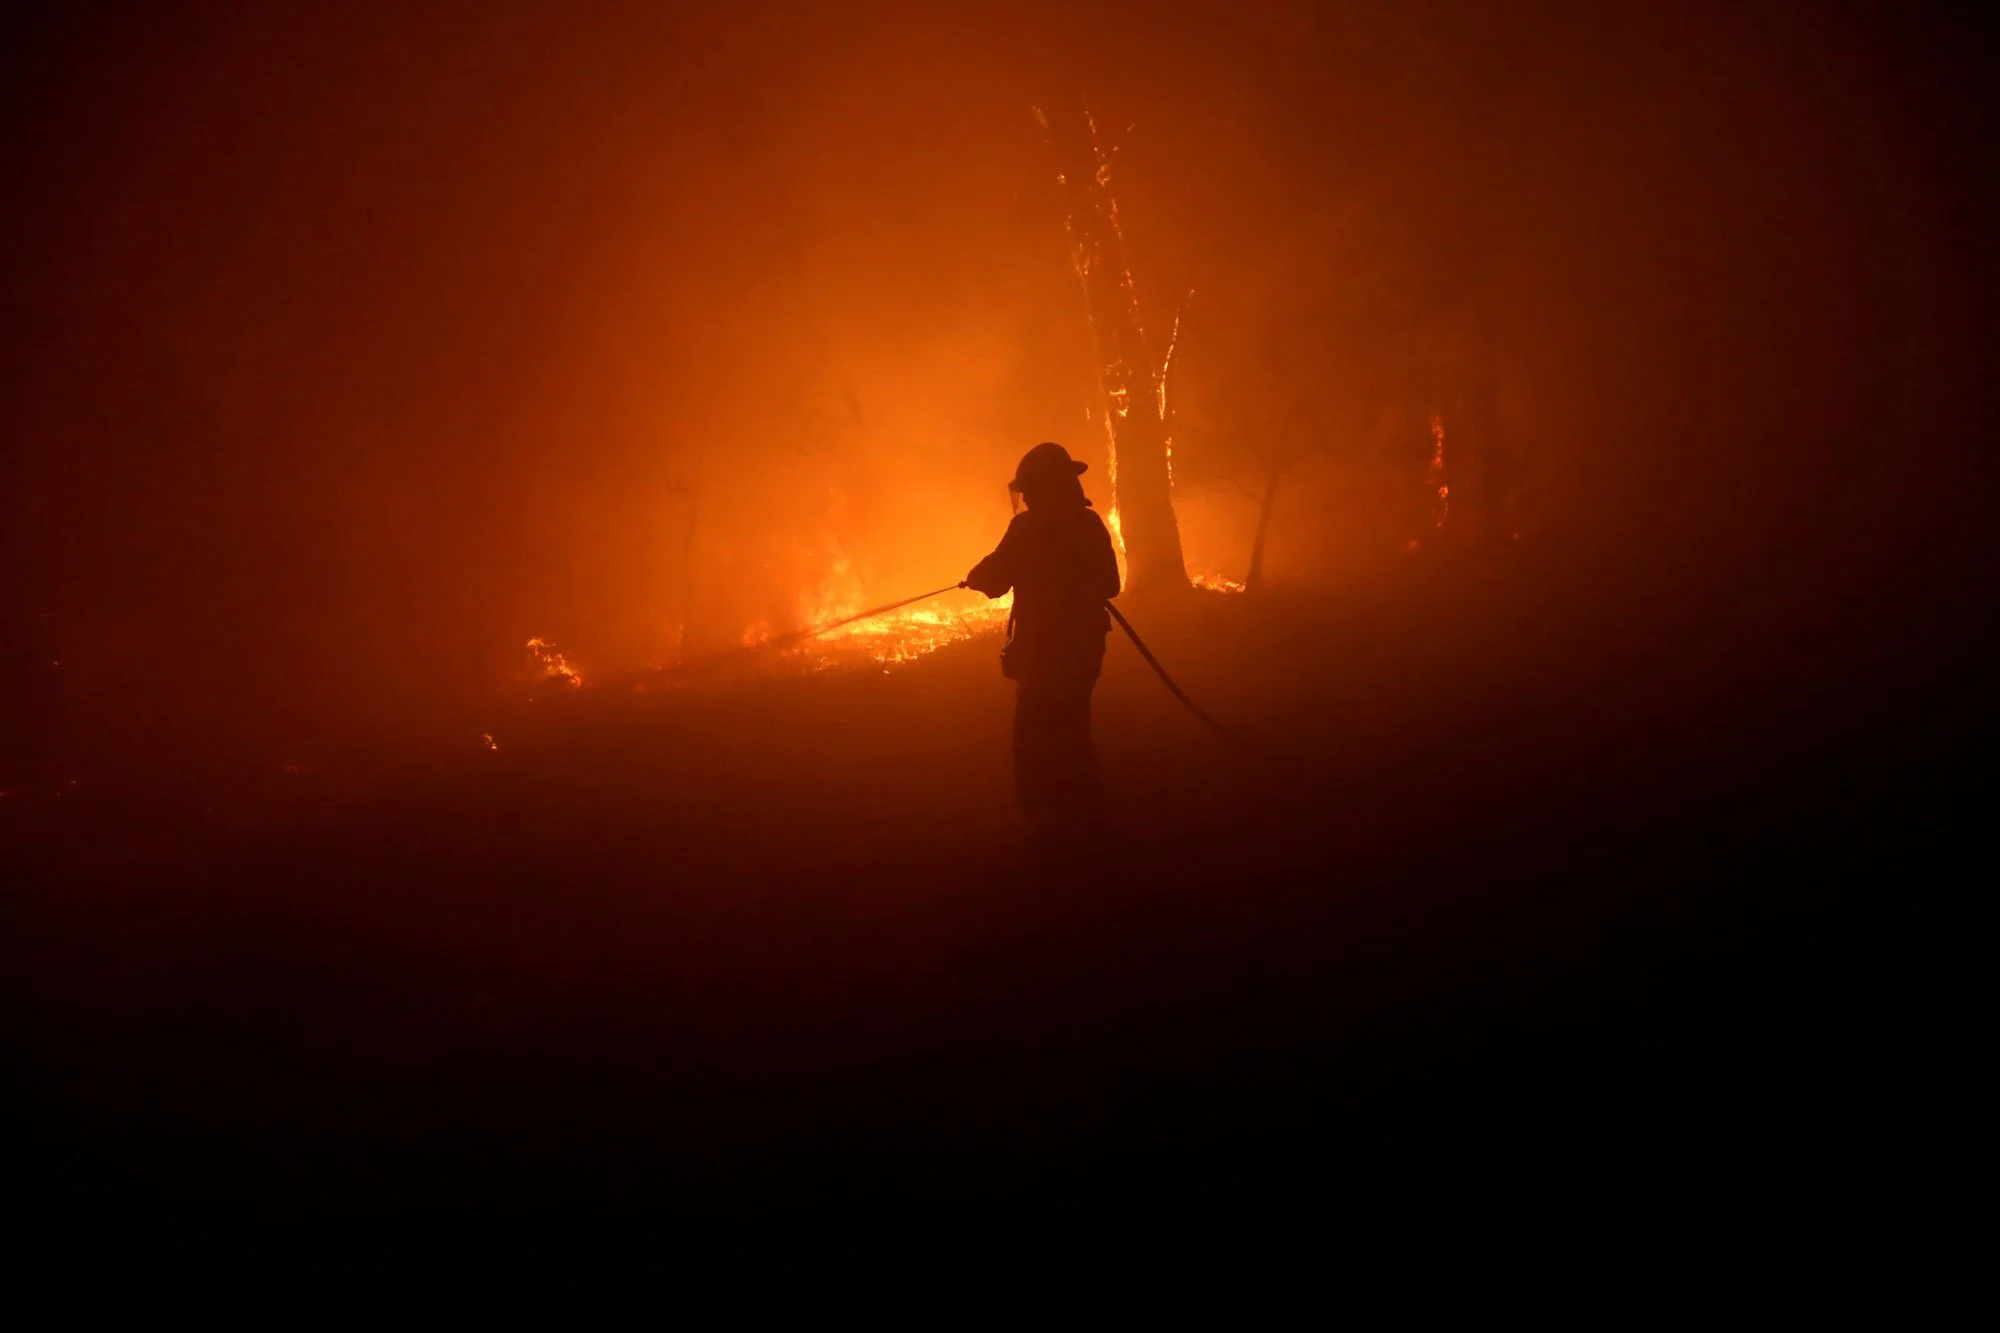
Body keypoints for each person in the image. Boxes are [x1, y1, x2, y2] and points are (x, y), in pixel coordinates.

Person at [964, 442, 1122, 843]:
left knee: (1033, 741)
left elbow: (995, 579)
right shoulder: (1090, 525)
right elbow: (1112, 585)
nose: (1026, 497)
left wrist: (977, 576)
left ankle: (1044, 827)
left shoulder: (1027, 528)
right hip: (1086, 651)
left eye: (1029, 488)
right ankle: (1089, 820)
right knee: (1074, 733)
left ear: (1041, 486)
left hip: (1041, 653)